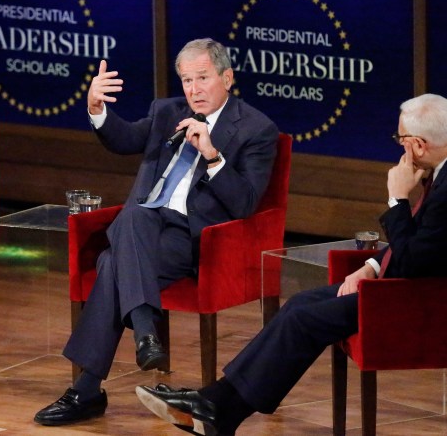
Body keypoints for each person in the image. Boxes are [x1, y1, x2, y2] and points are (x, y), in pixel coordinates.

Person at [135, 93, 447, 436]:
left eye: (400, 140)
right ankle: (217, 406)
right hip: (408, 286)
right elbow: (422, 246)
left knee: (303, 318)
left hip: (426, 302)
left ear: (417, 145)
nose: (399, 148)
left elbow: (416, 260)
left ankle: (217, 407)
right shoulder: (439, 174)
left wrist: (397, 199)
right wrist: (371, 265)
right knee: (300, 303)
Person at [34, 38, 278, 426]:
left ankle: (88, 390)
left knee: (112, 259)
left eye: (202, 78)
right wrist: (96, 109)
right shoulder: (167, 111)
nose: (193, 90)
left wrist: (213, 156)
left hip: (193, 239)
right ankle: (144, 336)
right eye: (186, 80)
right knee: (136, 217)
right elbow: (125, 138)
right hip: (146, 225)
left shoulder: (256, 129)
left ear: (227, 78)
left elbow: (247, 202)